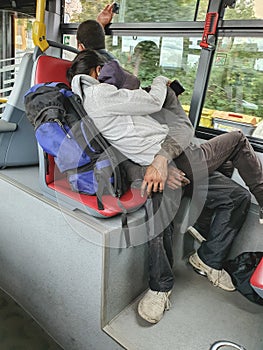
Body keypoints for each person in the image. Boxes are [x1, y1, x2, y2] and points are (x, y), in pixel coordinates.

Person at [66, 50, 260, 323]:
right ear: (99, 73)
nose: (126, 84)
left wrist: (163, 159)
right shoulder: (109, 98)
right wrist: (155, 167)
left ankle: (208, 258)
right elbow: (120, 156)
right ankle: (160, 287)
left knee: (238, 197)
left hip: (180, 157)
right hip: (160, 167)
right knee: (162, 206)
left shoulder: (126, 103)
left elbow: (182, 130)